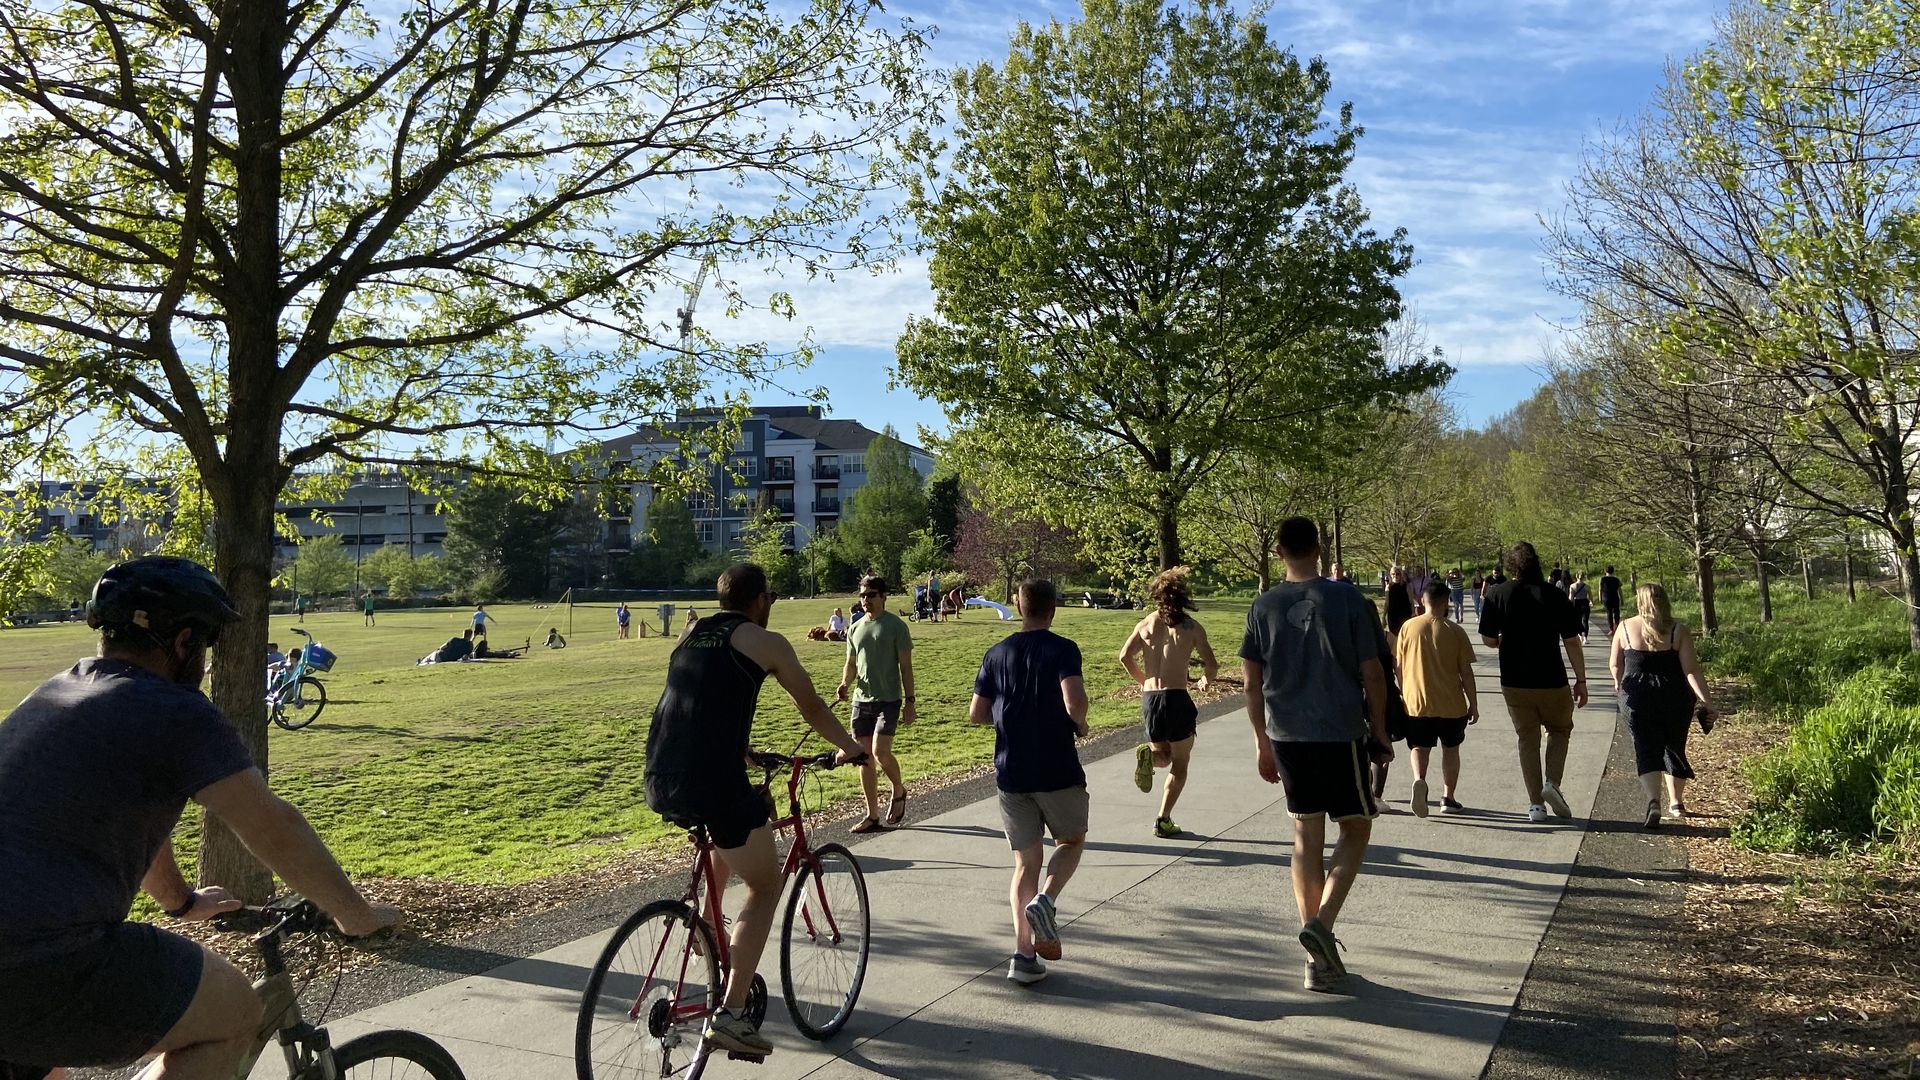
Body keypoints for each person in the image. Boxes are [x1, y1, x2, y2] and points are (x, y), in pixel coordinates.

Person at [0, 558, 399, 1080]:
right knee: (234, 1012)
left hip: (20, 952)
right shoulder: (173, 709)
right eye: (207, 643)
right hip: (38, 954)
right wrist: (357, 915)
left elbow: (138, 825)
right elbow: (271, 826)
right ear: (184, 641)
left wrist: (182, 902)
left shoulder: (55, 694)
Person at [643, 563, 866, 1058]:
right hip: (712, 779)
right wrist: (850, 748)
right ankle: (732, 1014)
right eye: (772, 599)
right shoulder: (767, 642)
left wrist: (740, 750)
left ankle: (706, 928)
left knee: (735, 826)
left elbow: (697, 701)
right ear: (761, 599)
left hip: (660, 774)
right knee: (766, 885)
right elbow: (812, 707)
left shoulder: (692, 633)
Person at [1240, 517, 1391, 993]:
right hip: (1340, 732)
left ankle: (1315, 959)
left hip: (1287, 736)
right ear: (1318, 549)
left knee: (1306, 836)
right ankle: (1322, 925)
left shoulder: (1262, 606)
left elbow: (1251, 683)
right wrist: (1380, 730)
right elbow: (1373, 672)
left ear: (1279, 552)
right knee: (1356, 827)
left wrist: (1261, 742)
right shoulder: (1348, 599)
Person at [969, 579, 1089, 986]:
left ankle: (1023, 956)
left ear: (1019, 607)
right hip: (1057, 767)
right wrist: (1079, 723)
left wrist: (1011, 716)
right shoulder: (1063, 649)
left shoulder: (996, 653)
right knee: (1070, 841)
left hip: (1011, 770)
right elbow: (1074, 701)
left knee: (1025, 863)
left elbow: (977, 713)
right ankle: (1046, 901)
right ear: (1052, 609)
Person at [1479, 541, 1589, 824]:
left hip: (1514, 681)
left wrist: (1504, 640)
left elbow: (1488, 639)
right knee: (1559, 730)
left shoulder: (1496, 594)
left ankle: (1536, 805)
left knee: (1527, 739)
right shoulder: (1555, 595)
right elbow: (1572, 641)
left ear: (1510, 566)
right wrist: (1580, 679)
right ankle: (1552, 782)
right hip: (1552, 678)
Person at [1121, 567, 1219, 838]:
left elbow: (1124, 656)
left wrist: (1144, 681)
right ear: (1183, 595)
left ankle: (1149, 756)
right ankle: (1163, 819)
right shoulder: (1191, 627)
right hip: (1177, 698)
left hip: (1151, 700)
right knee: (1179, 764)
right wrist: (1205, 680)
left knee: (1162, 757)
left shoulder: (1145, 625)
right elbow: (1211, 664)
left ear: (1157, 595)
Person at [1610, 584, 1717, 829]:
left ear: (1639, 602)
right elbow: (1691, 670)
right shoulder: (1678, 630)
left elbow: (1615, 664)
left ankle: (1653, 802)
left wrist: (1618, 683)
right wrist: (1706, 700)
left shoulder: (1624, 627)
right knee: (1674, 745)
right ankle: (1677, 803)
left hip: (1637, 697)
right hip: (1674, 696)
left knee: (1645, 746)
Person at [837, 577, 916, 833]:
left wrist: (910, 702)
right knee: (864, 758)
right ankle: (872, 816)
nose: (866, 599)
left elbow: (906, 667)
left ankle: (898, 789)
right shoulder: (854, 628)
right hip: (861, 700)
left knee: (880, 753)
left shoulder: (896, 626)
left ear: (883, 596)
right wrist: (845, 683)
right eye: (862, 595)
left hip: (889, 700)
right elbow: (851, 664)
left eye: (871, 594)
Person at [1397, 579, 1480, 817]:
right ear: (1446, 603)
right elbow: (1466, 672)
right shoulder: (1455, 631)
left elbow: (1399, 665)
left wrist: (1404, 691)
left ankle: (1419, 780)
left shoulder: (1408, 627)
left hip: (1417, 702)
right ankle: (1448, 797)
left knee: (1419, 747)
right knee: (1451, 750)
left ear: (1423, 600)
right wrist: (1473, 704)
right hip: (1451, 704)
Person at [1384, 566, 1414, 636]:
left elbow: (1411, 601)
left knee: (1405, 634)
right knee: (1394, 635)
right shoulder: (1388, 587)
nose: (1395, 576)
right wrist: (1383, 617)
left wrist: (1413, 613)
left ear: (1401, 574)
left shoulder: (1406, 586)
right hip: (1392, 615)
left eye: (1397, 574)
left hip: (1405, 614)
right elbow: (1387, 603)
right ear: (1390, 575)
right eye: (1393, 574)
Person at [1600, 566, 1625, 635]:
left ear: (1605, 571)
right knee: (1617, 613)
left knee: (1609, 613)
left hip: (1606, 598)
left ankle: (1611, 629)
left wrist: (1600, 598)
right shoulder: (1616, 579)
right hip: (1615, 597)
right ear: (1613, 571)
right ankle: (1616, 627)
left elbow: (1600, 589)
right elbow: (1620, 590)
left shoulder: (1602, 579)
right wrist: (1622, 599)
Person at [1570, 573, 1592, 641]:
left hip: (1577, 603)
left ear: (1576, 577)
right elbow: (1590, 596)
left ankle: (1580, 636)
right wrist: (1591, 602)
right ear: (1584, 577)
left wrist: (1570, 605)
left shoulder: (1572, 586)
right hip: (1585, 603)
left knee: (1578, 620)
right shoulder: (1587, 586)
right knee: (1585, 621)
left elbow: (1571, 598)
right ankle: (1585, 637)